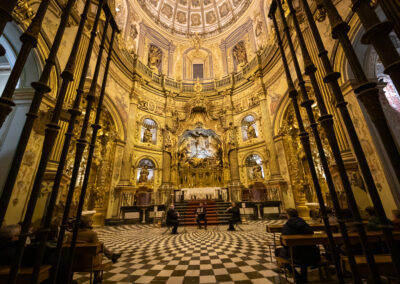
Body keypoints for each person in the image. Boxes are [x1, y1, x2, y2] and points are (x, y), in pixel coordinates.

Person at [275, 208, 320, 283]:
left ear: (288, 216)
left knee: (278, 251)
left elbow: (284, 243)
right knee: (303, 251)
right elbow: (312, 234)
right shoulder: (305, 224)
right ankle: (303, 277)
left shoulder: (287, 226)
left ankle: (296, 275)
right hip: (312, 253)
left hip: (295, 255)